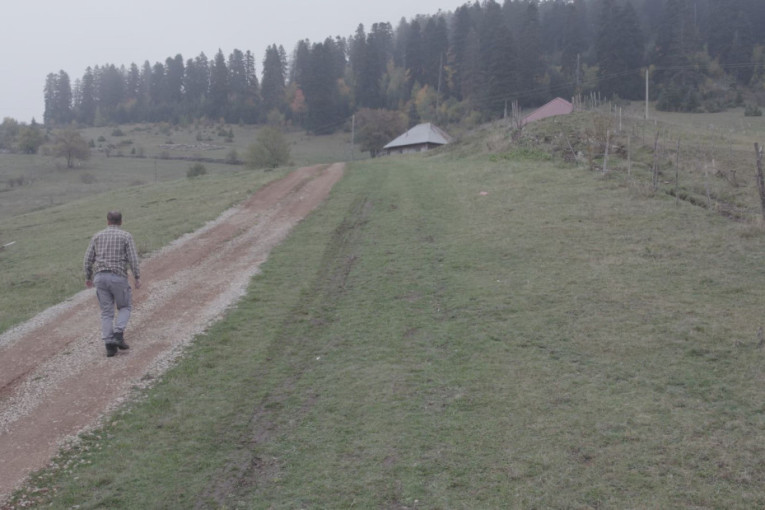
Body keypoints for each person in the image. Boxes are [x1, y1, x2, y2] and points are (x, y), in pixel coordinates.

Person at [83, 211, 141, 357]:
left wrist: (88, 276)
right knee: (125, 306)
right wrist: (137, 276)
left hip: (100, 277)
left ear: (107, 221)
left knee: (106, 312)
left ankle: (109, 345)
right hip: (118, 276)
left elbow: (87, 259)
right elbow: (133, 258)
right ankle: (118, 334)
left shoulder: (97, 236)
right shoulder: (126, 236)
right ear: (121, 222)